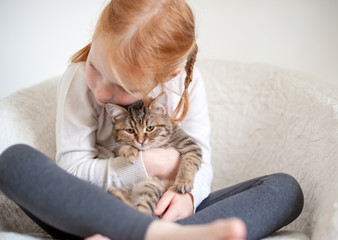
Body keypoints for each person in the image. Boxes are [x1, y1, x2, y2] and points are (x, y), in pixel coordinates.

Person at [0, 1, 304, 240]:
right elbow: (73, 172)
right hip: (102, 209)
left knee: (284, 189)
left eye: (122, 86)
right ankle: (156, 235)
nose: (101, 91)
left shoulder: (185, 82)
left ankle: (158, 234)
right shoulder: (80, 80)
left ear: (167, 76)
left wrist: (189, 197)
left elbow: (202, 163)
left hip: (165, 210)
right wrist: (147, 165)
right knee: (13, 162)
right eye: (95, 64)